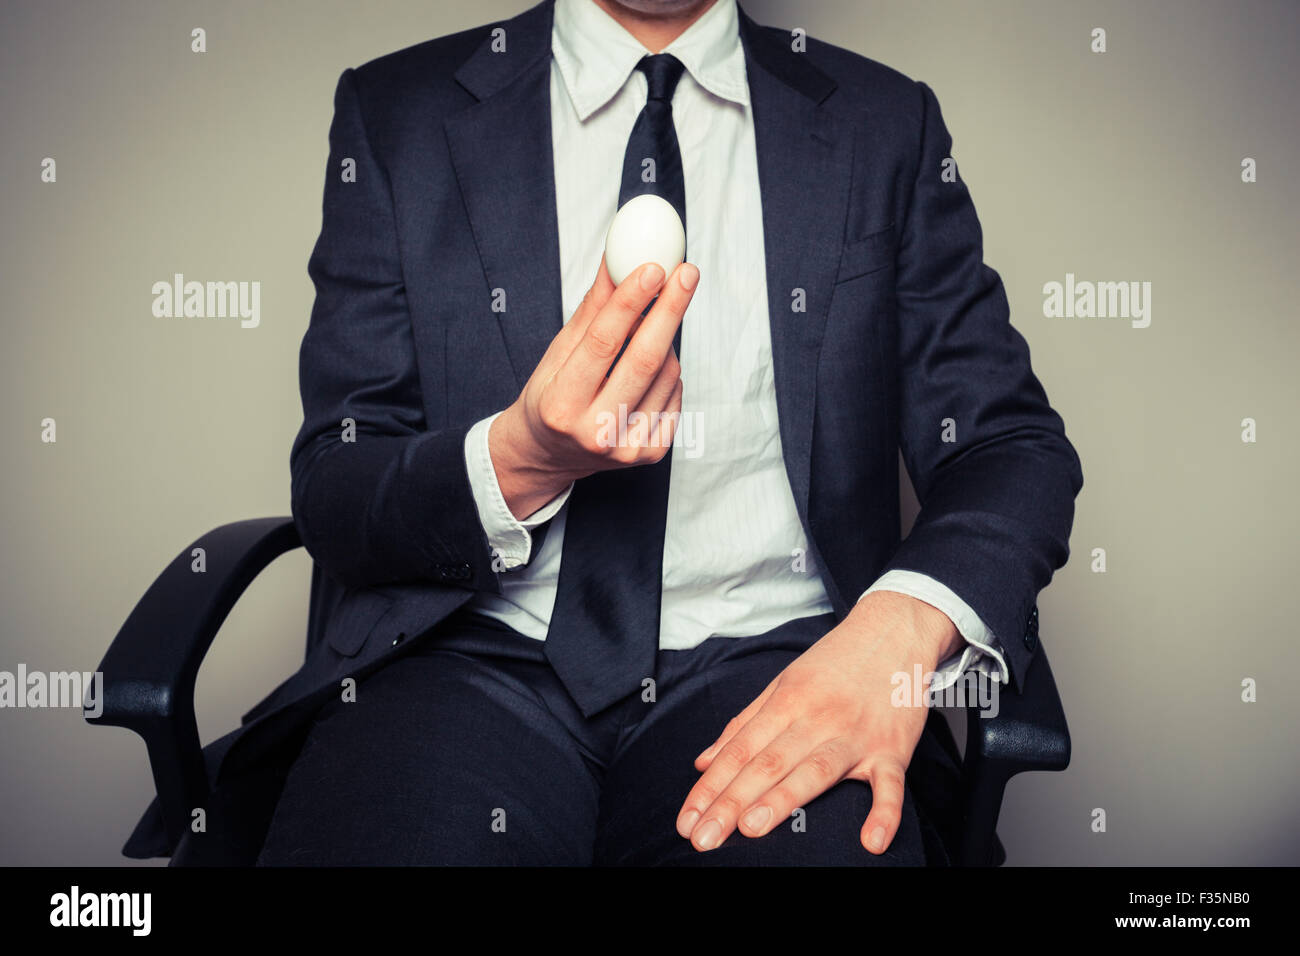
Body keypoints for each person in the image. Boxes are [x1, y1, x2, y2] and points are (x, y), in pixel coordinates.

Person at [129, 0, 1083, 866]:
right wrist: (521, 458)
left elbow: (1007, 446)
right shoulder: (398, 114)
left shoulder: (885, 125)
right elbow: (337, 487)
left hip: (775, 665)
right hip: (461, 660)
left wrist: (899, 631)